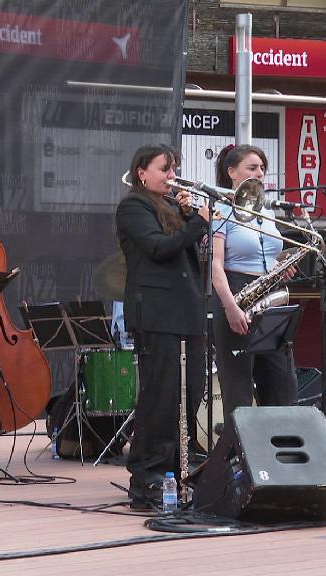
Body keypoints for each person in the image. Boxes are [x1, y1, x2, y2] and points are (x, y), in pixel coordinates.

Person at [116, 144, 210, 509]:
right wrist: (197, 221)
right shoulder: (133, 207)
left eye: (174, 169)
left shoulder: (173, 207)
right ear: (142, 172)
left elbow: (191, 253)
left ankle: (175, 468)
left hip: (186, 310)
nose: (172, 175)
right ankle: (146, 475)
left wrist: (191, 220)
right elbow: (159, 248)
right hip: (156, 313)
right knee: (160, 395)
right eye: (164, 169)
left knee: (190, 392)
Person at [211, 144, 298, 427]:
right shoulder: (221, 209)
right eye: (252, 167)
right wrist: (230, 306)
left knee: (282, 383)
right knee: (239, 390)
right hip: (237, 292)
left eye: (262, 168)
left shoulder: (267, 212)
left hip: (268, 292)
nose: (260, 173)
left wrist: (279, 267)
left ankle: (284, 456)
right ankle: (240, 461)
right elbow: (215, 264)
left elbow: (267, 254)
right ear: (232, 172)